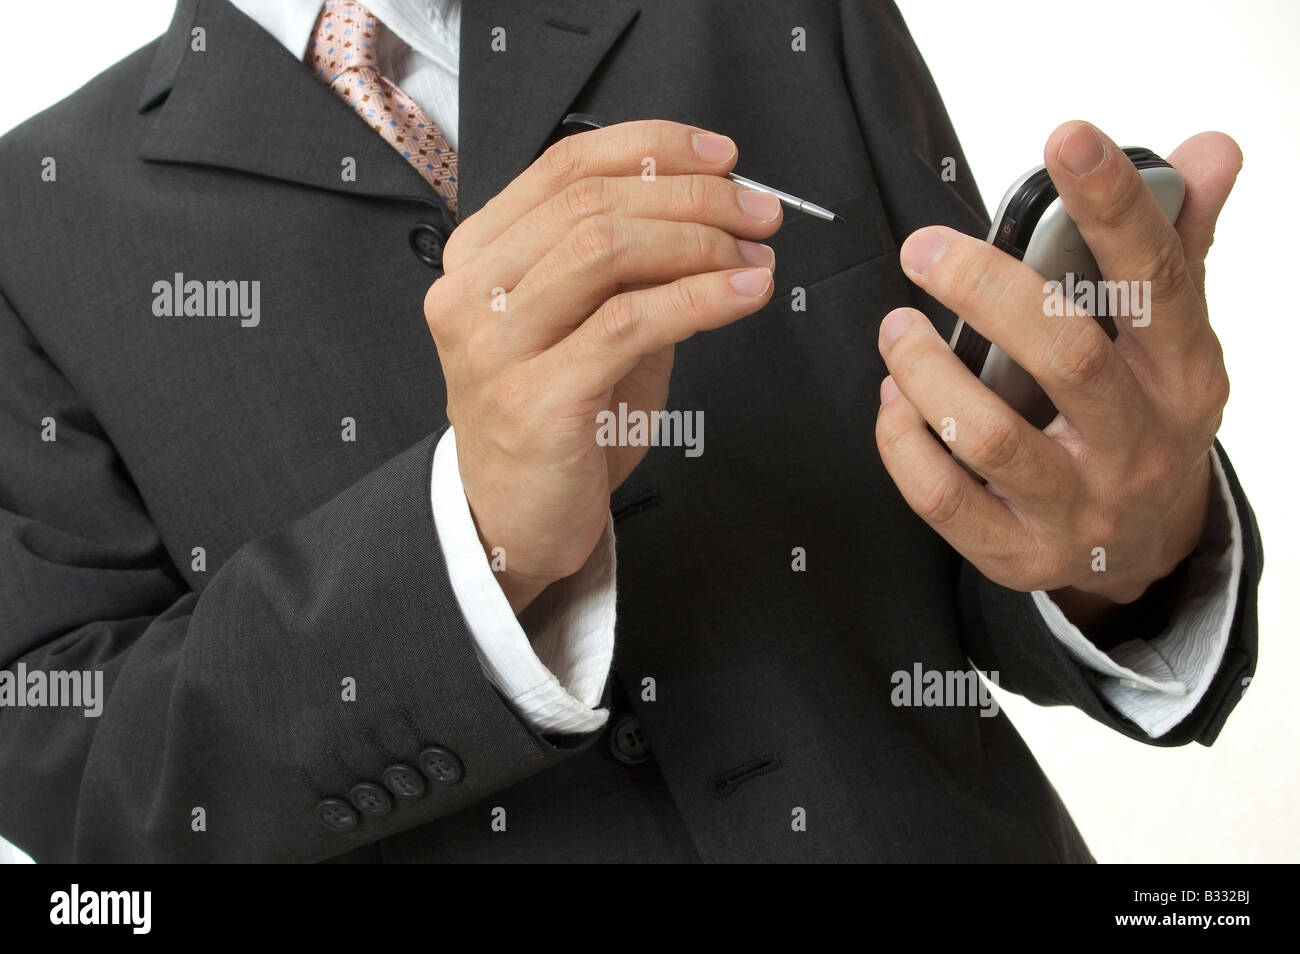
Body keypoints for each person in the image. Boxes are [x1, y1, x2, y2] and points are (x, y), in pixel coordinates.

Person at [0, 0, 1260, 862]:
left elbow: (978, 521)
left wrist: (1128, 541)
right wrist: (470, 550)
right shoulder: (28, 225)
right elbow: (81, 778)